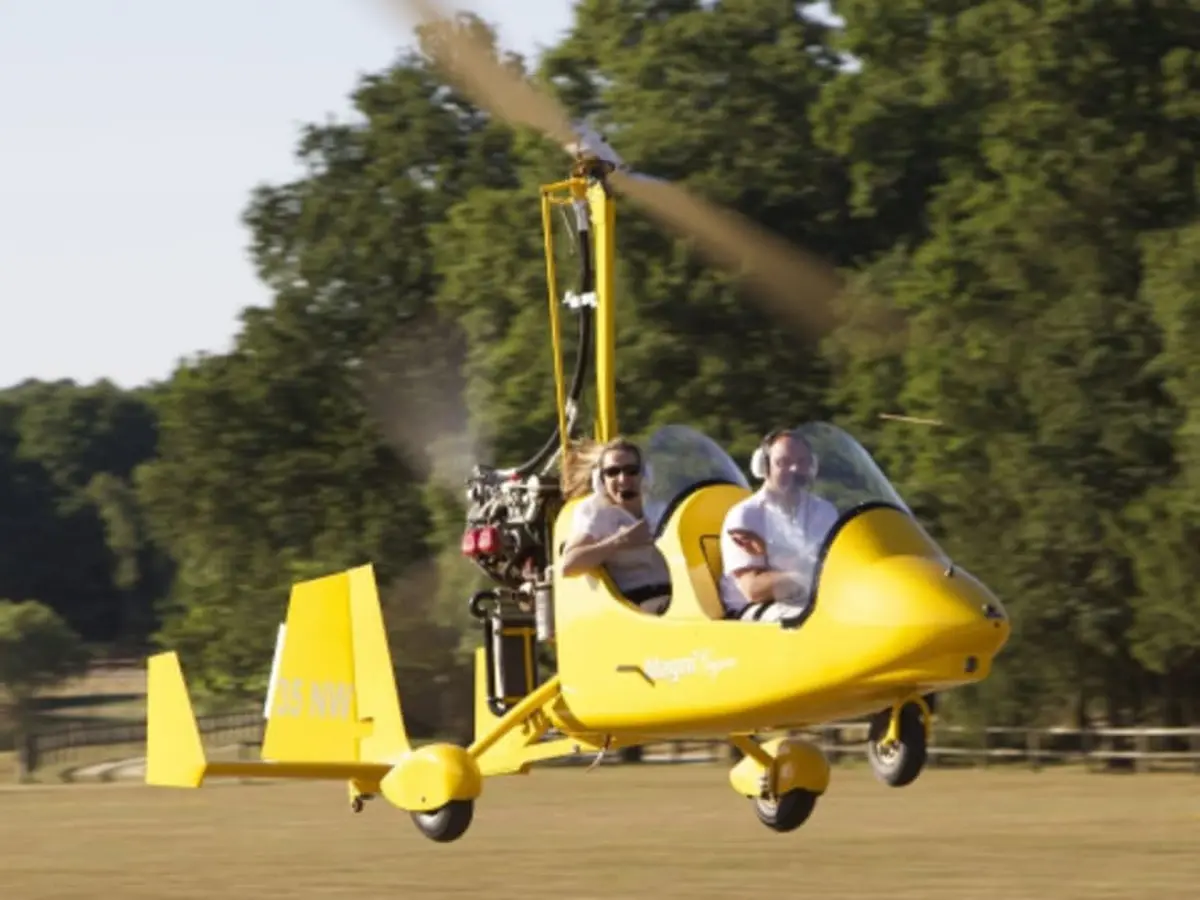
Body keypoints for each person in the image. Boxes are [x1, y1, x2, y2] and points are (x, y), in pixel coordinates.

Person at [718, 428, 839, 622]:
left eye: (802, 462)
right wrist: (805, 578)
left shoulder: (824, 511)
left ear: (812, 467)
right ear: (764, 467)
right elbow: (753, 590)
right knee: (817, 621)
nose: (794, 469)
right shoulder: (745, 516)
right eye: (783, 462)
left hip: (809, 601)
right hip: (752, 612)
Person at [558, 436, 672, 614]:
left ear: (645, 474)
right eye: (612, 472)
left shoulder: (660, 507)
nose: (623, 479)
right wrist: (622, 540)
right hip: (634, 605)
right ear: (601, 479)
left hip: (675, 597)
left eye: (631, 470)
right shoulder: (597, 512)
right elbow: (569, 564)